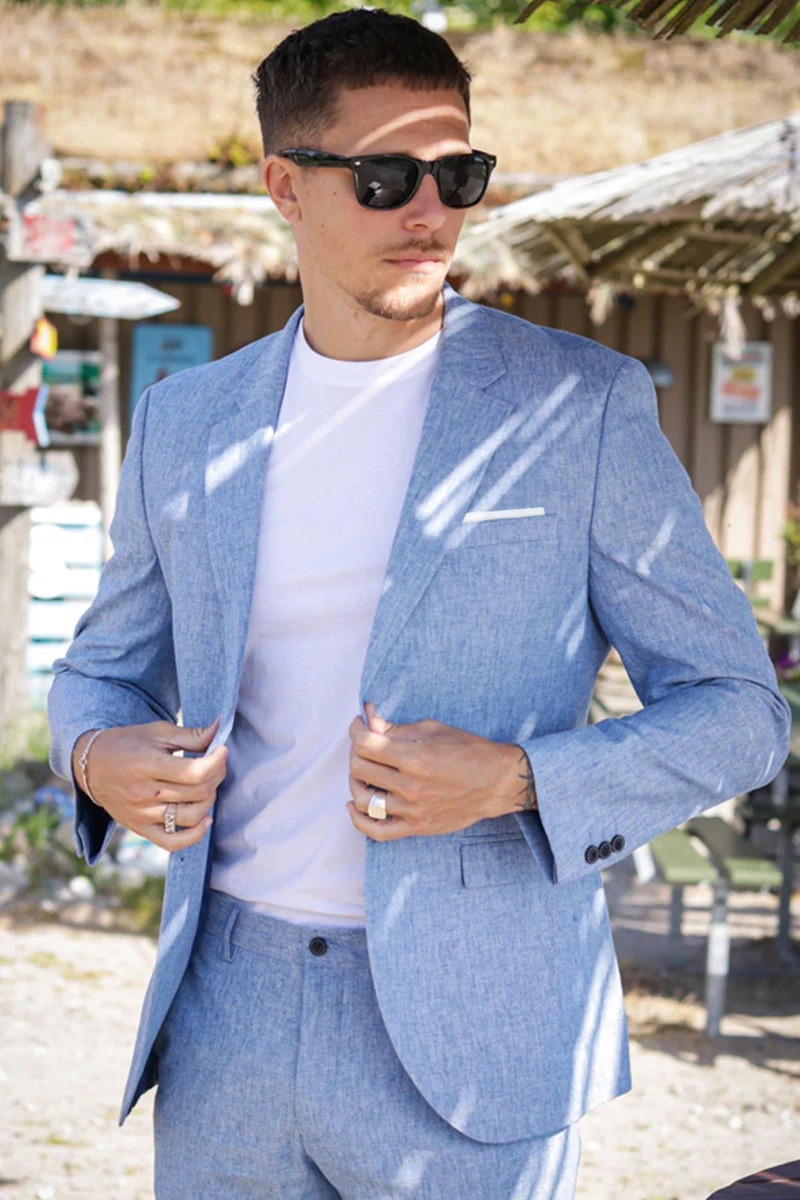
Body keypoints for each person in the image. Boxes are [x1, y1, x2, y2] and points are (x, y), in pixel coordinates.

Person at [48, 10, 790, 1199]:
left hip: (477, 1029)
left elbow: (740, 714)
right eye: (385, 178)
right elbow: (100, 666)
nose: (430, 212)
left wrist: (516, 780)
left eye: (459, 175)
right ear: (284, 187)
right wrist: (94, 753)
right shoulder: (186, 420)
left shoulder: (580, 407)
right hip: (223, 1013)